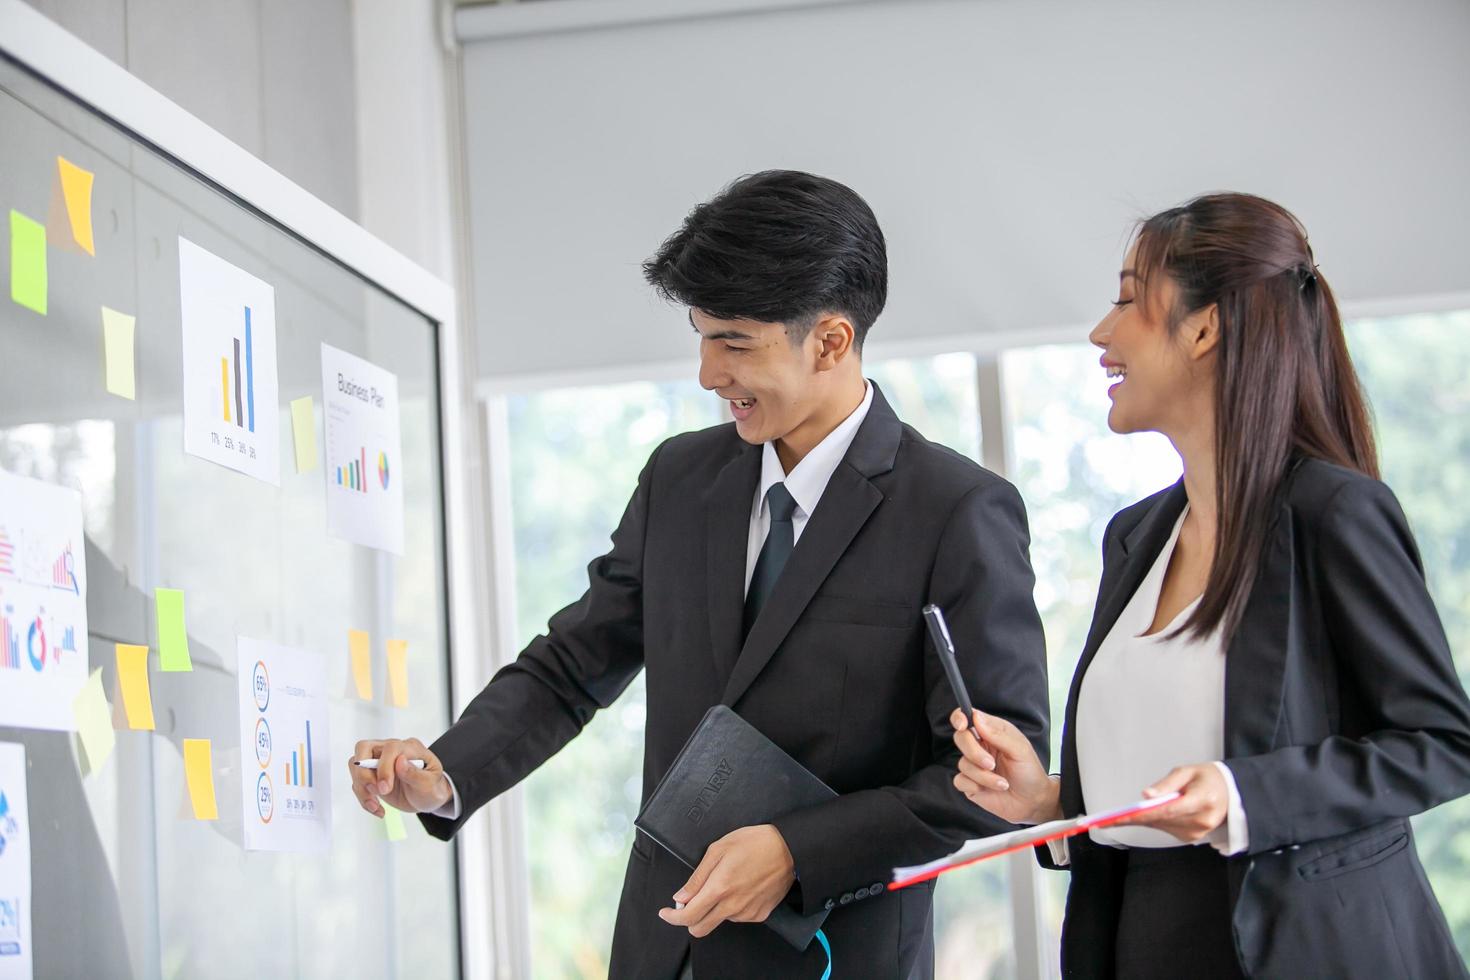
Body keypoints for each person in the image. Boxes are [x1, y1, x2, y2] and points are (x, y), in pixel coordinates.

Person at [350, 170, 1051, 979]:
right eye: (702, 336)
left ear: (830, 340)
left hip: (834, 957)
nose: (708, 373)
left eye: (735, 343)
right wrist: (447, 772)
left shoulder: (957, 509)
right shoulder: (680, 480)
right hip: (660, 950)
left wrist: (797, 851)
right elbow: (572, 667)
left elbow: (997, 776)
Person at [951, 191, 1470, 979]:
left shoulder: (1333, 513)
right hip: (1139, 938)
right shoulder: (1135, 536)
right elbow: (1161, 779)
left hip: (1302, 949)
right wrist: (1050, 799)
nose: (1101, 332)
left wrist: (1243, 795)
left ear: (1204, 327)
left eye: (1128, 298)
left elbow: (1441, 744)